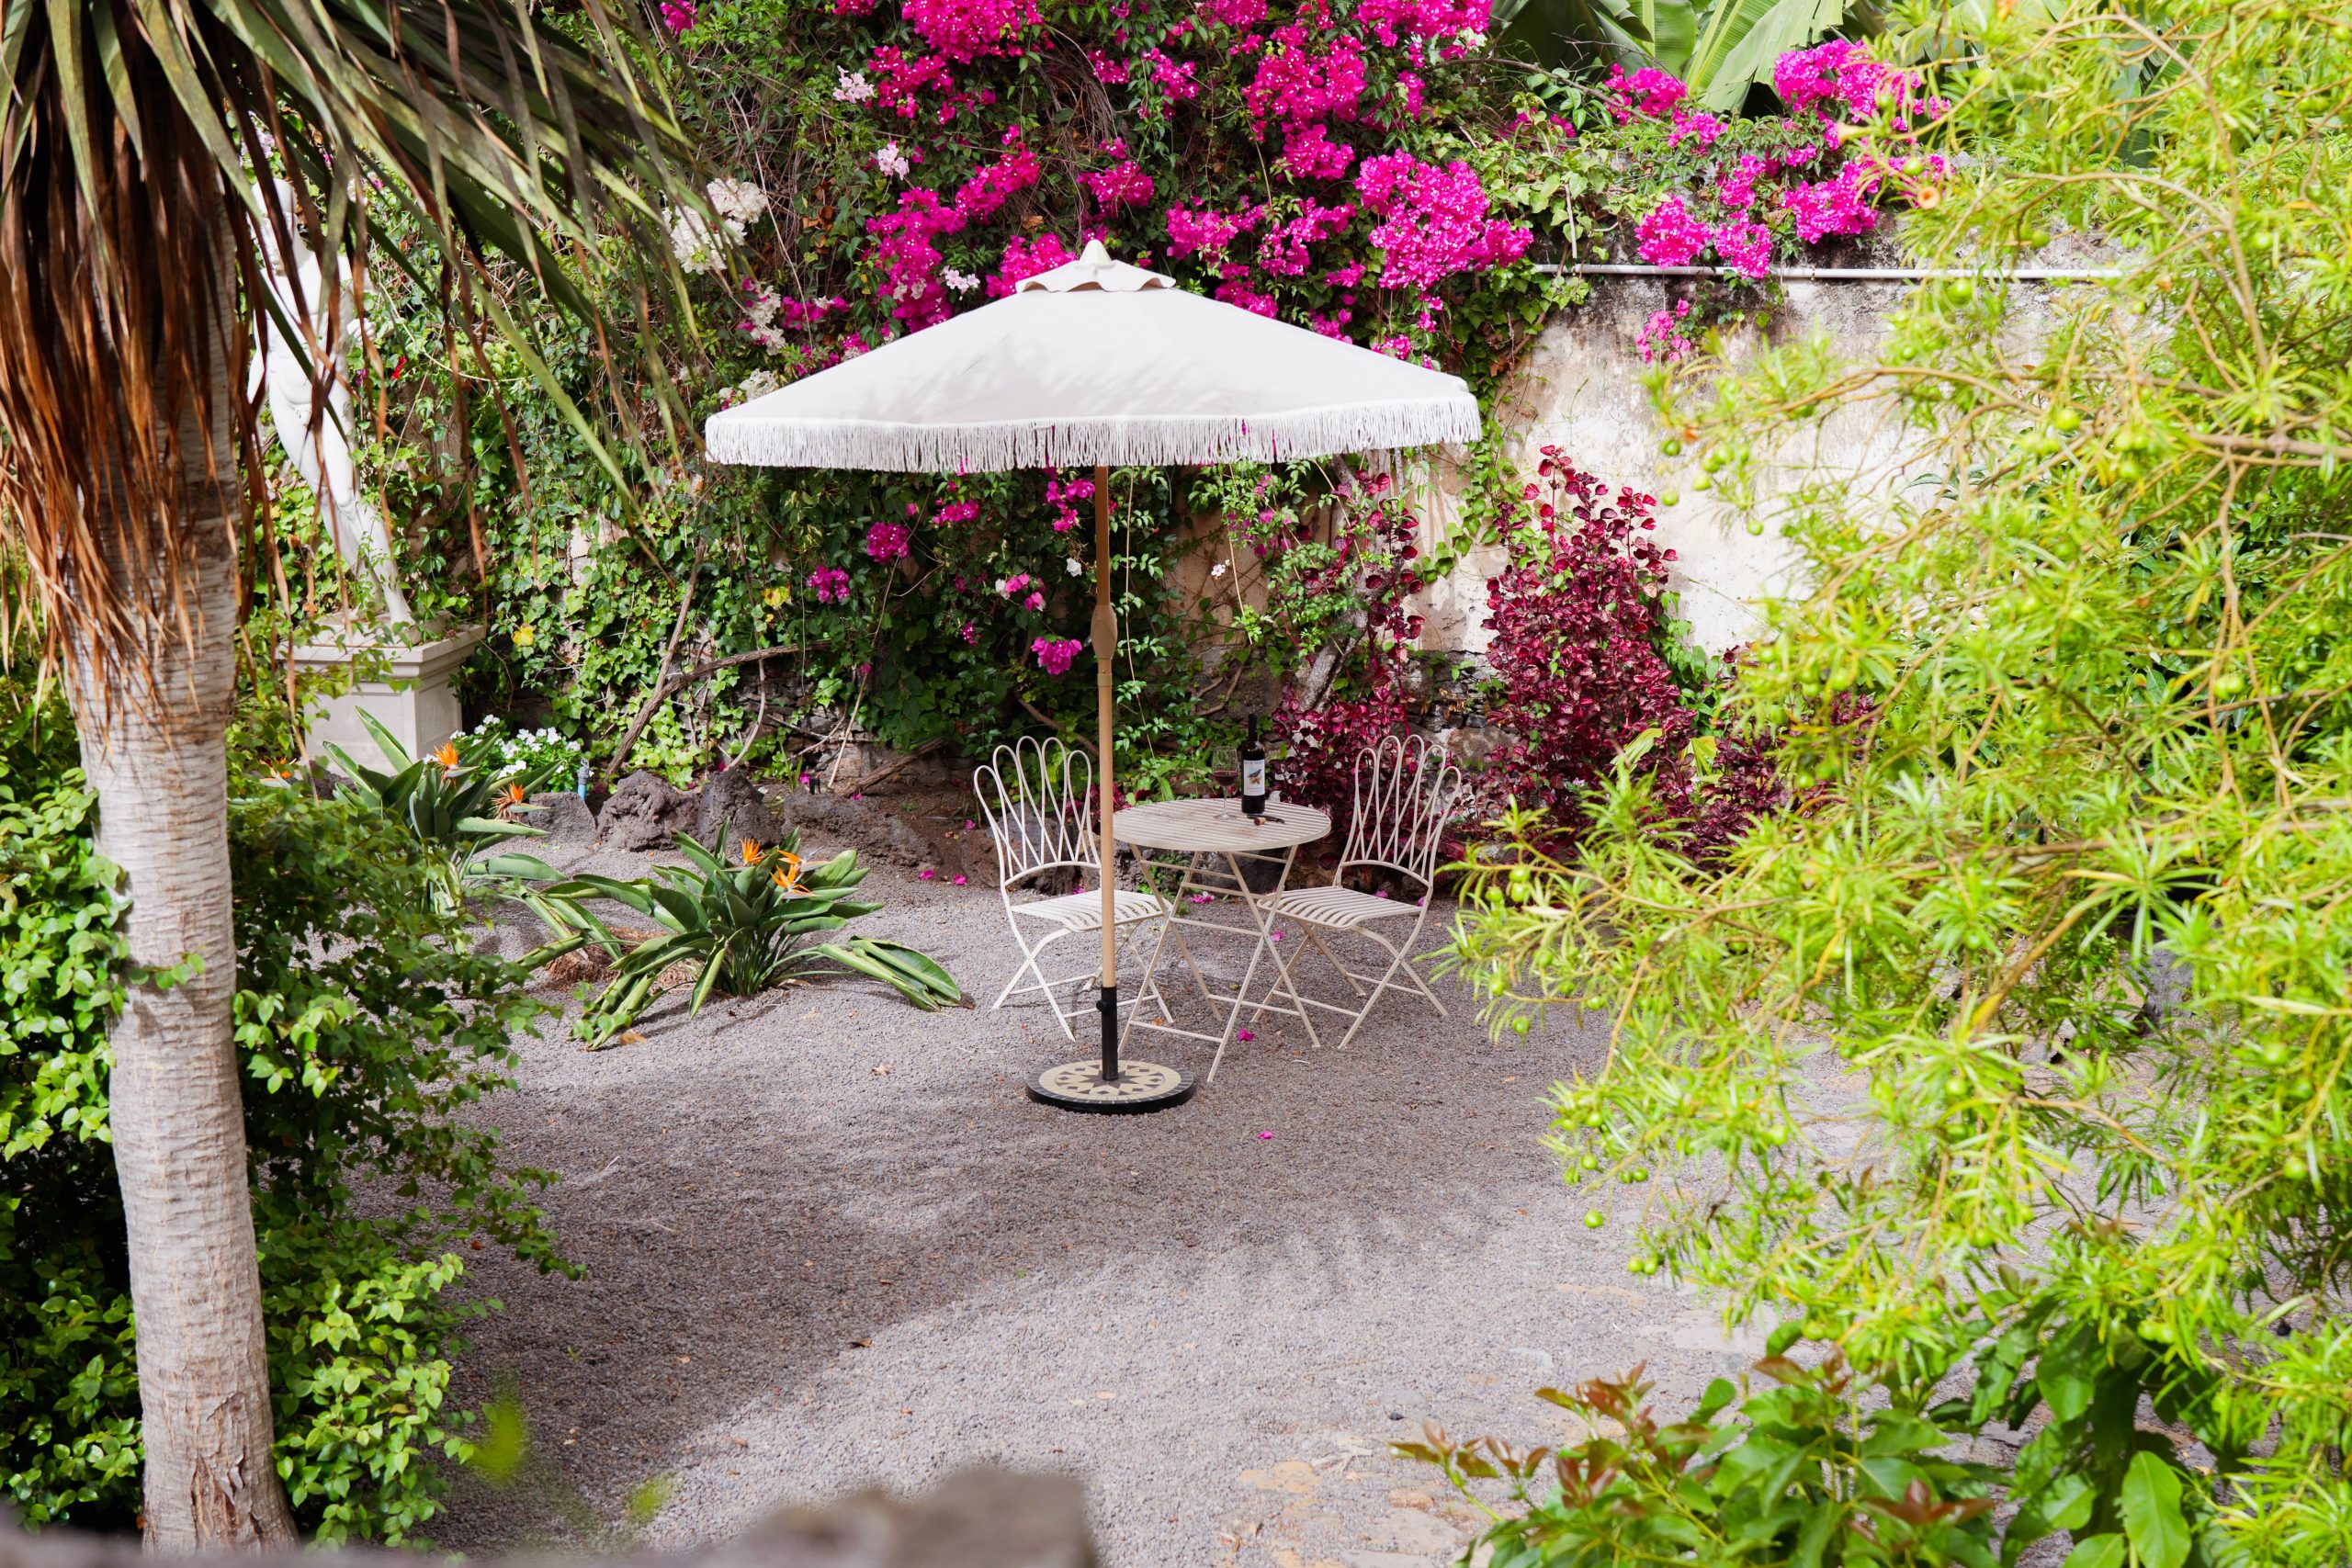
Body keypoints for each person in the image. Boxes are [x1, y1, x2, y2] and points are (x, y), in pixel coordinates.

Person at [251, 180, 415, 628]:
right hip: (285, 400)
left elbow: (369, 319)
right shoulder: (264, 279)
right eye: (256, 230)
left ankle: (396, 603)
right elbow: (264, 351)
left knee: (346, 494)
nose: (262, 240)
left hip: (326, 394)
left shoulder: (331, 269)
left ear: (291, 223)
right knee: (324, 498)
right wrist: (248, 410)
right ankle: (368, 594)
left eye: (268, 227)